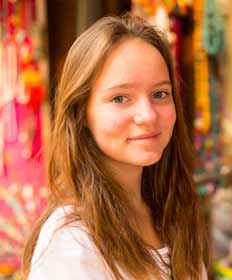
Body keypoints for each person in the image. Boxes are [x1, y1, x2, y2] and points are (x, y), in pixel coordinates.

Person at [21, 14, 208, 280]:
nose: (148, 115)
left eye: (160, 94)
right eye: (120, 98)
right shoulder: (72, 241)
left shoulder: (171, 210)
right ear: (82, 113)